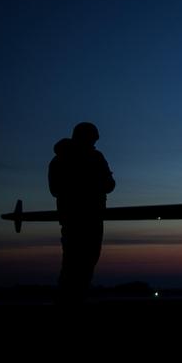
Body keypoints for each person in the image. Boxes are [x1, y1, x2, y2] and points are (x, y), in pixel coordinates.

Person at [48, 122, 115, 304]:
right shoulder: (95, 157)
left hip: (69, 219)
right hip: (91, 217)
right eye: (93, 138)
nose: (95, 142)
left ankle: (68, 298)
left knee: (71, 262)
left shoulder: (58, 160)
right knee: (85, 262)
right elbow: (109, 185)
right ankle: (73, 299)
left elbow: (54, 189)